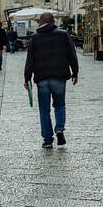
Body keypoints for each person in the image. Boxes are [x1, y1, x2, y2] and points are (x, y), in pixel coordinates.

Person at [23, 12, 79, 149]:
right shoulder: (63, 34)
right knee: (59, 105)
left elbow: (30, 59)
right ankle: (59, 128)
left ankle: (48, 140)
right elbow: (72, 54)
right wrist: (75, 72)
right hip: (59, 76)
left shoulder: (35, 37)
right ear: (54, 21)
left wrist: (27, 78)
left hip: (42, 78)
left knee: (44, 109)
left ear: (41, 22)